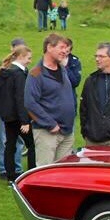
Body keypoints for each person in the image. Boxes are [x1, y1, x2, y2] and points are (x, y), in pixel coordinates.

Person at [24, 33, 76, 167]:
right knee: (46, 171)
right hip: (48, 132)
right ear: (49, 47)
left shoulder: (62, 69)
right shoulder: (36, 73)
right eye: (62, 47)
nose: (65, 51)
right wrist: (50, 124)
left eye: (66, 48)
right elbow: (30, 104)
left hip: (67, 131)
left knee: (65, 172)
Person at [0, 45, 35, 183]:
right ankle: (32, 173)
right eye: (28, 58)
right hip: (18, 116)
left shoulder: (3, 71)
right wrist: (25, 121)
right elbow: (20, 97)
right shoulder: (19, 74)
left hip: (7, 116)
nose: (30, 61)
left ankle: (10, 176)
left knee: (10, 145)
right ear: (21, 57)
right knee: (32, 145)